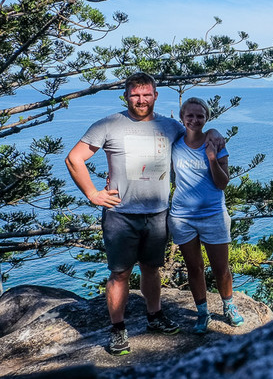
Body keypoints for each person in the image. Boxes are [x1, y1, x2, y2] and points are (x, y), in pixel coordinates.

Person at [65, 72, 223, 356]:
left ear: (155, 96)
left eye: (146, 94)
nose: (141, 100)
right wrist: (92, 194)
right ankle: (117, 329)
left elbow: (197, 132)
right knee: (120, 273)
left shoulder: (170, 126)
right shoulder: (109, 125)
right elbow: (74, 158)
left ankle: (154, 316)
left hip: (158, 213)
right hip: (121, 214)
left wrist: (213, 133)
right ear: (126, 96)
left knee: (152, 268)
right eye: (135, 95)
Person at [168, 97, 243, 333]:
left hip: (213, 215)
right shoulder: (174, 144)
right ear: (182, 118)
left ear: (206, 118)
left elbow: (222, 183)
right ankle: (202, 313)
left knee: (221, 268)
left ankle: (228, 307)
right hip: (182, 217)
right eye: (189, 116)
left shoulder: (217, 144)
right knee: (194, 267)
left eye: (200, 116)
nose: (194, 120)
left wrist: (211, 158)